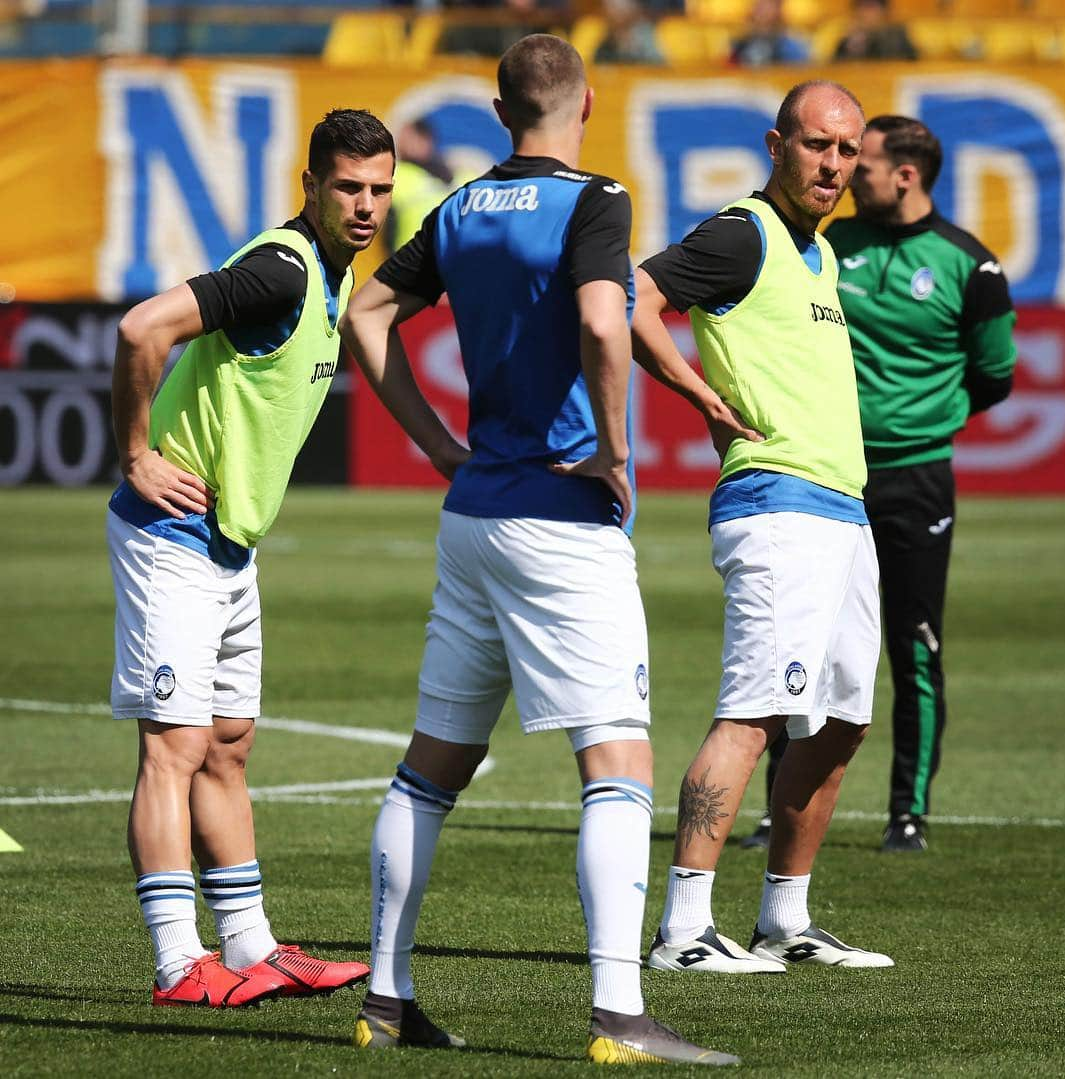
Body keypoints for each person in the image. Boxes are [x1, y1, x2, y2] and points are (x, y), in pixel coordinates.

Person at [340, 33, 737, 1066]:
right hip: (563, 522)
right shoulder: (595, 198)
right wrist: (612, 446)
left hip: (474, 517)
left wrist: (433, 442)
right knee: (617, 762)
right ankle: (619, 1012)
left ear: (497, 107)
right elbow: (608, 325)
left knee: (432, 765)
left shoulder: (461, 204)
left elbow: (367, 309)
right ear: (588, 102)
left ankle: (385, 996)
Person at [108, 109, 395, 1007]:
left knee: (228, 747)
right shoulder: (279, 269)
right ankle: (176, 962)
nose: (366, 205)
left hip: (230, 544)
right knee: (176, 748)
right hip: (174, 536)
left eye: (379, 189)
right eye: (348, 187)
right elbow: (141, 329)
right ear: (309, 186)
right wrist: (135, 454)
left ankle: (252, 945)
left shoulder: (335, 275)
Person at [630, 80, 895, 974]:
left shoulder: (816, 253)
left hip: (842, 511)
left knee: (843, 722)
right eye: (818, 144)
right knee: (753, 714)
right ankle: (683, 931)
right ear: (776, 144)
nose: (833, 163)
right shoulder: (742, 233)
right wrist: (696, 390)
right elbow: (633, 297)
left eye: (847, 150)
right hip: (777, 505)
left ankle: (786, 917)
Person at [829, 115, 1017, 849]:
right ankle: (777, 808)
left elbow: (995, 376)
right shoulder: (825, 243)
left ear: (906, 174)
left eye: (863, 162)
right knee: (804, 641)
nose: (848, 174)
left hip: (916, 480)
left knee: (913, 644)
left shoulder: (971, 266)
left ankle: (907, 812)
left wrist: (927, 419)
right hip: (829, 470)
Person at [386, 117, 467, 253]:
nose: (400, 144)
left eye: (407, 138)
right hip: (445, 262)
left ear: (426, 140)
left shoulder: (398, 174)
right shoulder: (461, 178)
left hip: (407, 263)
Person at [730, 0, 810, 68]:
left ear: (778, 9)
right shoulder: (741, 41)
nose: (761, 9)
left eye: (767, 5)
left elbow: (799, 73)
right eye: (759, 4)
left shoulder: (790, 44)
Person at [832, 0, 917, 61]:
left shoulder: (897, 32)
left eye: (871, 7)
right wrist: (852, 48)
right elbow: (837, 67)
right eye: (862, 7)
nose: (866, 13)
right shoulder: (849, 36)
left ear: (883, 11)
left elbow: (911, 60)